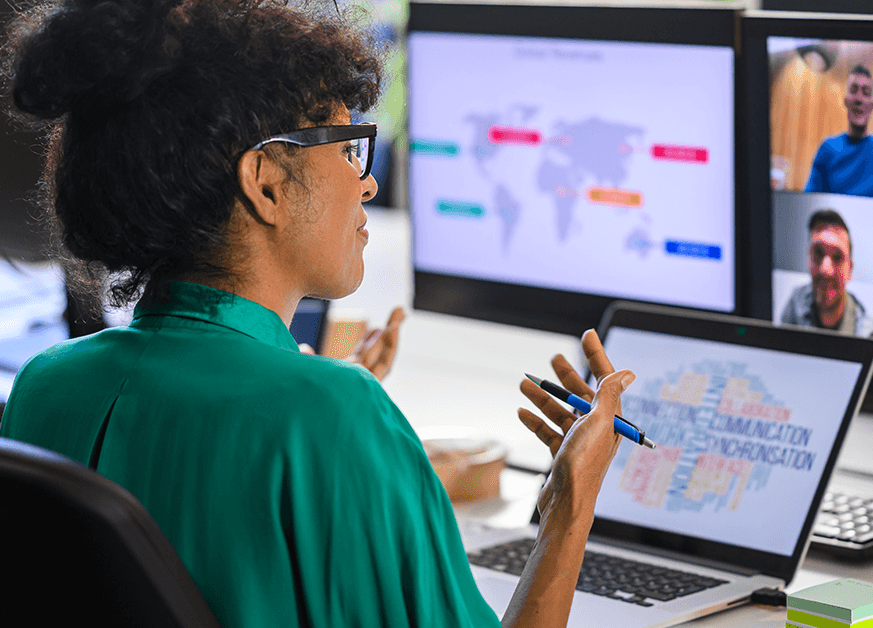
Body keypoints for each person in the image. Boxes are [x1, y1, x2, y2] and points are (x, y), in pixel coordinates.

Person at [0, 1, 634, 627]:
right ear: (267, 181)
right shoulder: (332, 413)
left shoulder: (45, 384)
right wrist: (568, 505)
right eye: (348, 148)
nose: (368, 184)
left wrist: (321, 407)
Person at [804, 65, 873, 202]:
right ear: (846, 101)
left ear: (871, 105)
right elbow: (809, 201)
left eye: (866, 92)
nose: (859, 99)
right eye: (853, 90)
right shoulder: (827, 150)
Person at [780, 209, 873, 352]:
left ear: (850, 269)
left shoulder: (872, 339)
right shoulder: (795, 305)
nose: (826, 270)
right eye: (818, 252)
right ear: (809, 259)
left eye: (837, 257)